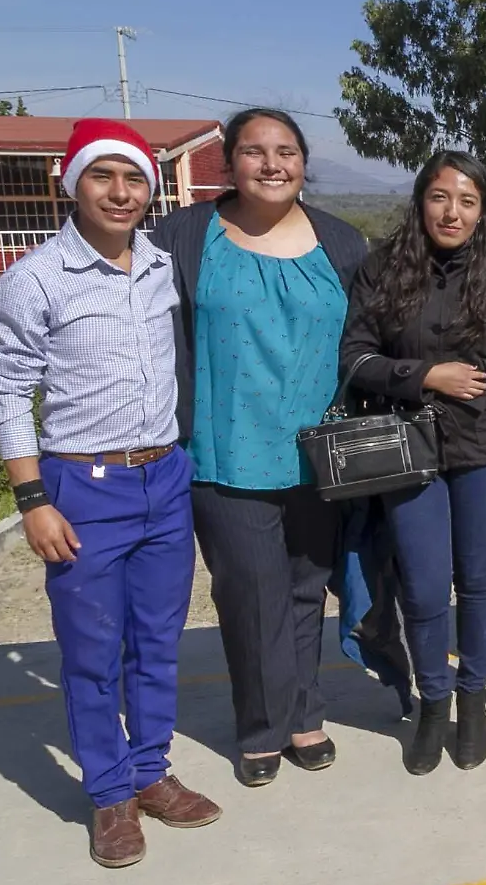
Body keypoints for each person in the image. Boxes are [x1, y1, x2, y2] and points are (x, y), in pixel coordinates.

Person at [0, 118, 220, 868]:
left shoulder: (159, 266)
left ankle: (150, 770)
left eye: (133, 178)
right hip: (82, 483)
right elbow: (9, 393)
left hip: (165, 476)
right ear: (73, 184)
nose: (120, 192)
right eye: (102, 176)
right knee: (92, 651)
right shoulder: (35, 279)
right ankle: (110, 794)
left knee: (157, 640)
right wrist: (32, 501)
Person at [151, 109, 366, 787]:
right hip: (225, 451)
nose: (271, 164)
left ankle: (306, 714)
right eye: (254, 152)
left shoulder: (342, 242)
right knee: (250, 595)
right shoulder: (186, 237)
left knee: (306, 589)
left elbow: (369, 339)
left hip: (319, 453)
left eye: (285, 152)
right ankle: (259, 728)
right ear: (229, 164)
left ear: (303, 162)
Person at [340, 151, 486, 774]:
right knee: (425, 586)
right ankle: (434, 700)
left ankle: (473, 699)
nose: (451, 212)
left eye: (467, 200)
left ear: (483, 212)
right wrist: (426, 374)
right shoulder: (383, 270)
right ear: (420, 200)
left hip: (483, 450)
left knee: (477, 579)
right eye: (439, 197)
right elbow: (354, 358)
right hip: (408, 450)